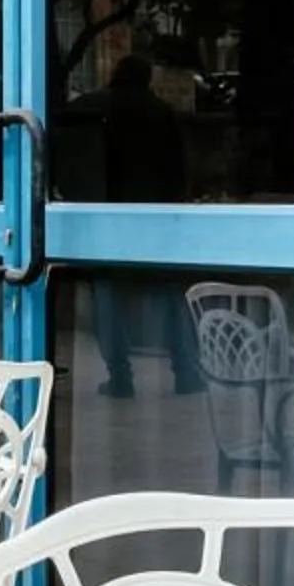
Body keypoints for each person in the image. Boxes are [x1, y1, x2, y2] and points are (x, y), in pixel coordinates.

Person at [84, 56, 203, 398]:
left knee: (107, 299)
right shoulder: (161, 112)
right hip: (156, 218)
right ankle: (186, 372)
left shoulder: (101, 109)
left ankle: (120, 376)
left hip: (108, 217)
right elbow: (178, 169)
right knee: (169, 296)